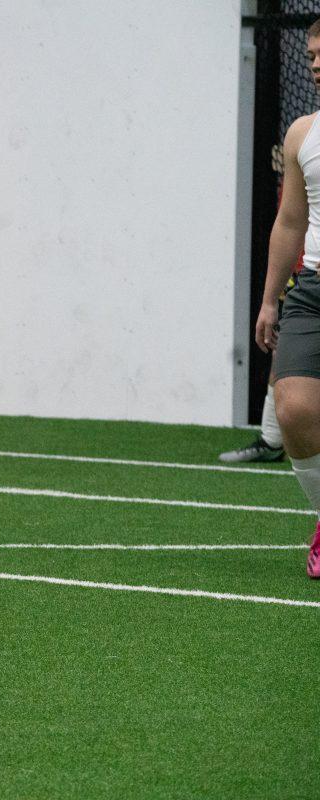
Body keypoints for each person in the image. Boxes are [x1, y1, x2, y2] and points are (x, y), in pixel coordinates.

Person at [254, 18, 320, 579]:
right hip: (314, 290)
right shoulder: (302, 133)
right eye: (312, 53)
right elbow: (291, 219)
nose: (315, 63)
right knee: (294, 409)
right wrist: (271, 299)